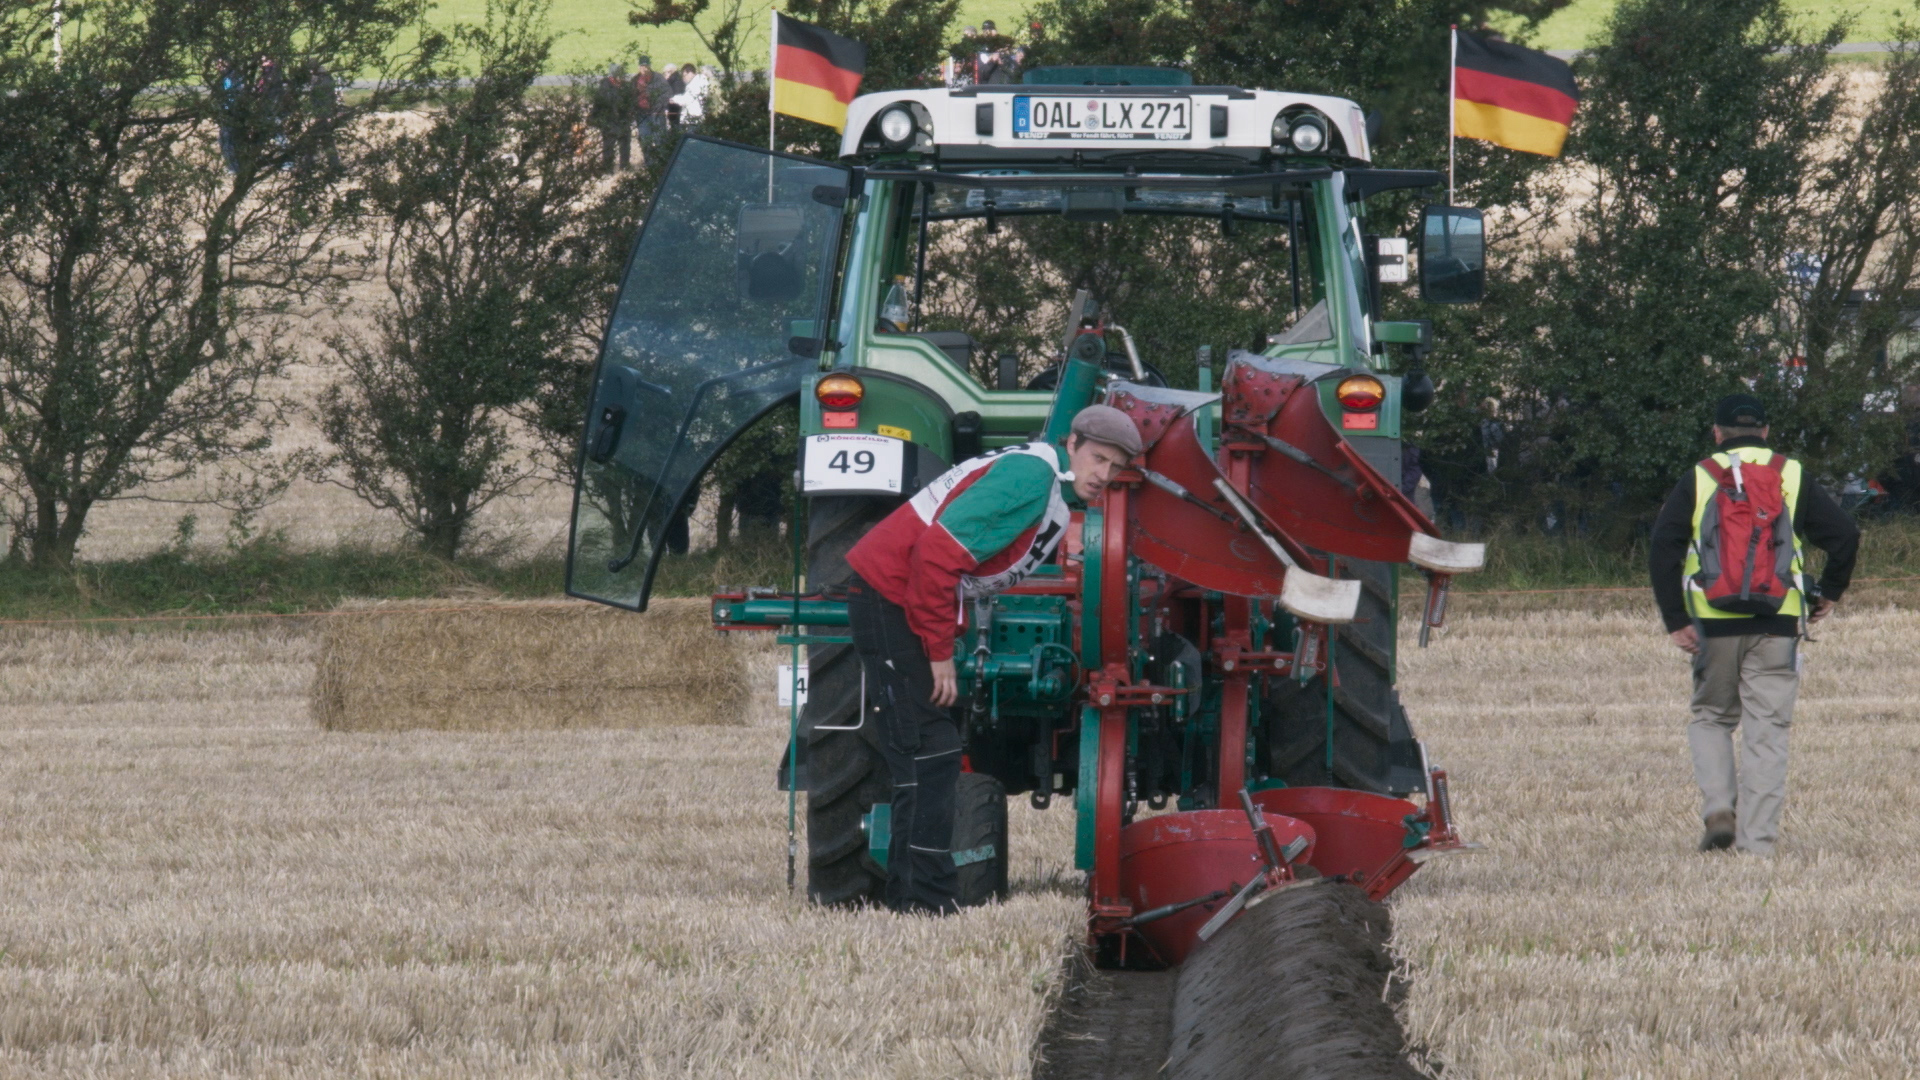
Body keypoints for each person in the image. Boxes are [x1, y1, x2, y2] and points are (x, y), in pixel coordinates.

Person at [843, 405, 1143, 914]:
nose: (1104, 476)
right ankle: (928, 901)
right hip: (888, 595)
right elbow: (936, 555)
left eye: (1116, 468)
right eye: (1098, 459)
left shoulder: (1041, 480)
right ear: (1071, 443)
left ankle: (912, 899)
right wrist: (940, 654)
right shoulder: (1031, 476)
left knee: (923, 753)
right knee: (931, 749)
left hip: (895, 597)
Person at [1649, 393, 1859, 856]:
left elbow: (1663, 546)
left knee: (1710, 718)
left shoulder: (1702, 475)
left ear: (1717, 433)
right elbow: (1845, 535)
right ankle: (1758, 845)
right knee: (1767, 733)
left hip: (1712, 621)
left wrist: (1675, 618)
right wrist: (1830, 592)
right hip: (1778, 621)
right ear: (1765, 431)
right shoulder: (1792, 473)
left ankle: (1720, 808)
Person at [590, 62, 633, 171]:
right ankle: (607, 168)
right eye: (619, 75)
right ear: (613, 76)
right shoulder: (604, 87)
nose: (621, 78)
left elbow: (631, 102)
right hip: (609, 120)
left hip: (623, 119)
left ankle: (625, 166)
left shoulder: (626, 86)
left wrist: (629, 112)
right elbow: (599, 104)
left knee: (625, 143)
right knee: (609, 145)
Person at [633, 56, 669, 148]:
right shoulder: (635, 80)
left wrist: (659, 105)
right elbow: (630, 97)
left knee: (660, 140)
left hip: (656, 114)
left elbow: (667, 93)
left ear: (650, 66)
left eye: (646, 66)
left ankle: (661, 161)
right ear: (639, 67)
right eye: (642, 66)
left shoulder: (658, 78)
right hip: (642, 115)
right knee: (645, 140)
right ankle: (649, 161)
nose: (644, 69)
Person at [672, 63, 710, 130]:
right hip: (694, 120)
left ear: (689, 73)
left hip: (692, 121)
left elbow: (686, 99)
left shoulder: (696, 83)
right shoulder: (697, 82)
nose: (683, 79)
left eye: (684, 76)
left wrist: (674, 99)